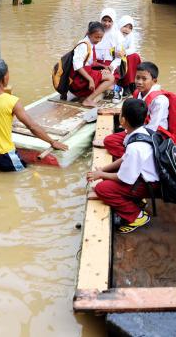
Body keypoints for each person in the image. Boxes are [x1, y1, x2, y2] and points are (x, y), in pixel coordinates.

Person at [0, 59, 68, 172]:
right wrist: (52, 142)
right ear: (4, 78)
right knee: (24, 174)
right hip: (5, 155)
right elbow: (32, 126)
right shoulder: (12, 101)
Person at [87, 99, 159, 234]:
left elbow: (124, 178)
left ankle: (138, 216)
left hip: (150, 185)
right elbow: (123, 158)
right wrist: (103, 170)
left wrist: (101, 175)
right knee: (108, 177)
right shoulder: (143, 132)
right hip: (147, 177)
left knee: (102, 188)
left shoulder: (134, 147)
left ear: (123, 120)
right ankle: (135, 199)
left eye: (120, 113)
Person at [103, 62, 169, 158]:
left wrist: (130, 138)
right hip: (139, 128)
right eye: (137, 78)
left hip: (156, 135)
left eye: (144, 79)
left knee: (125, 142)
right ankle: (130, 157)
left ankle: (133, 158)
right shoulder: (138, 93)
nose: (139, 82)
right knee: (109, 141)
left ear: (154, 81)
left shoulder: (160, 100)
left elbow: (152, 128)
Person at [68, 21, 116, 107]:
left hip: (84, 72)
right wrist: (90, 80)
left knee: (109, 80)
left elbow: (91, 62)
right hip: (77, 78)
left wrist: (104, 67)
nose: (98, 40)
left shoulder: (90, 43)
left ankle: (86, 95)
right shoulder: (83, 45)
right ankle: (88, 100)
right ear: (89, 34)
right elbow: (77, 65)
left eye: (101, 38)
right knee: (110, 78)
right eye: (96, 37)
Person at [95, 8, 125, 99]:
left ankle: (117, 88)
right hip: (95, 63)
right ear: (100, 20)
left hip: (110, 65)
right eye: (104, 20)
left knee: (103, 80)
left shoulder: (117, 35)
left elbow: (119, 58)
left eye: (109, 21)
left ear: (113, 22)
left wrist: (110, 69)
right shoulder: (95, 32)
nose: (107, 24)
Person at [118, 15, 142, 93]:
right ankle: (126, 85)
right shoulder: (114, 34)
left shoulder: (130, 35)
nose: (127, 30)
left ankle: (132, 82)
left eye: (130, 28)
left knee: (135, 56)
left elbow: (133, 48)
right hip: (115, 56)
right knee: (128, 58)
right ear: (120, 25)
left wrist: (125, 52)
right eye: (125, 26)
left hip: (124, 55)